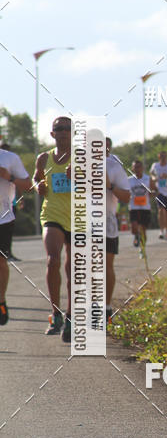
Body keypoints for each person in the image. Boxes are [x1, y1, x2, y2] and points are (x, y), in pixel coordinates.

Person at [34, 116, 73, 340]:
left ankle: (70, 316)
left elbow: (97, 183)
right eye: (59, 129)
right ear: (52, 134)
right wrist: (38, 184)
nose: (63, 132)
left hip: (78, 215)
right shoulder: (43, 158)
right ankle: (55, 313)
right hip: (52, 214)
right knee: (53, 259)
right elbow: (36, 179)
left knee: (72, 268)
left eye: (67, 128)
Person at [0, 146, 32, 325]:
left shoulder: (10, 158)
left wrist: (9, 177)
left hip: (3, 219)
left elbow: (28, 185)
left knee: (1, 262)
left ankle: (1, 300)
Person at [105, 138, 131, 324]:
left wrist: (110, 185)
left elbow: (126, 197)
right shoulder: (77, 164)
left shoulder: (114, 167)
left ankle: (105, 309)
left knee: (105, 266)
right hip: (80, 222)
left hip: (107, 223)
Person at [149, 150, 167, 239]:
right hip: (159, 191)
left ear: (166, 156)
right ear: (158, 157)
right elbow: (151, 175)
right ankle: (161, 230)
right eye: (161, 156)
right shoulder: (155, 165)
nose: (163, 158)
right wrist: (156, 178)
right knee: (160, 209)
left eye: (164, 156)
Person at [128, 159, 152, 251]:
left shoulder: (148, 179)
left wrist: (152, 192)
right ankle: (136, 235)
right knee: (134, 228)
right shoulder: (129, 180)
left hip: (145, 207)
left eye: (139, 167)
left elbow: (154, 190)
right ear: (132, 169)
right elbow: (125, 191)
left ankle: (142, 248)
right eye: (135, 167)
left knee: (143, 230)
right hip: (133, 207)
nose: (137, 169)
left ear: (142, 168)